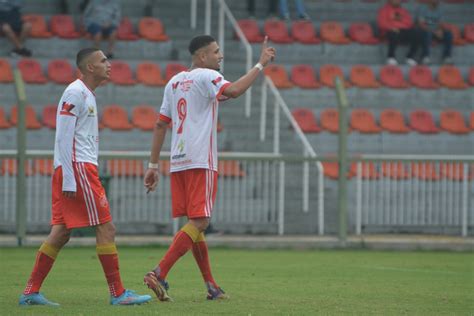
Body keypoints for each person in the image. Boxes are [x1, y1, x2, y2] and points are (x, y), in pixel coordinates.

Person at [143, 35, 276, 301]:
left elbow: (160, 124)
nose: (221, 56)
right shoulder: (207, 76)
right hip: (200, 158)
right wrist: (260, 65)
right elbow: (234, 91)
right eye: (216, 52)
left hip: (178, 160)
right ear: (202, 57)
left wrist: (153, 165)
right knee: (201, 221)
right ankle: (159, 272)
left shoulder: (174, 82)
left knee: (195, 223)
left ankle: (212, 287)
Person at [18, 48, 152, 307]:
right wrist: (69, 176)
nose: (109, 64)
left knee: (61, 233)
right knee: (106, 227)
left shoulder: (86, 94)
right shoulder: (75, 92)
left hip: (73, 168)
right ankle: (118, 293)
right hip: (78, 169)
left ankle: (29, 292)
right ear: (89, 67)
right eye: (103, 61)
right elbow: (63, 136)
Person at [377, 0, 421, 66]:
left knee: (417, 34)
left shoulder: (403, 11)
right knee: (393, 33)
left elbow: (409, 23)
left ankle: (410, 57)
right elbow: (382, 24)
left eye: (399, 0)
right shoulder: (384, 10)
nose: (397, 1)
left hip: (403, 31)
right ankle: (391, 57)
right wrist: (392, 27)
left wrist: (399, 21)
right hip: (389, 31)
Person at [415, 0, 452, 65]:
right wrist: (433, 31)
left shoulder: (440, 10)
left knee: (448, 34)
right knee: (427, 34)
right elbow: (421, 24)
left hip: (435, 32)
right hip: (424, 32)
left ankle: (446, 57)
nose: (436, 1)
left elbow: (441, 23)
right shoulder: (422, 8)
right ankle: (425, 57)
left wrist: (440, 30)